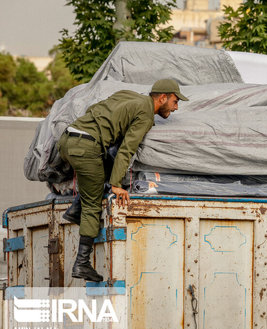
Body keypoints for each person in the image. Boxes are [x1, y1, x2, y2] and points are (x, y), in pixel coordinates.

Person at [57, 79, 189, 282]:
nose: (176, 107)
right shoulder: (145, 115)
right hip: (86, 147)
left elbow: (97, 108)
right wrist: (117, 185)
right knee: (93, 204)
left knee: (101, 169)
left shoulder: (128, 95)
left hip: (68, 139)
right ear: (162, 98)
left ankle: (75, 210)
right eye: (174, 101)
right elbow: (126, 151)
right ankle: (82, 264)